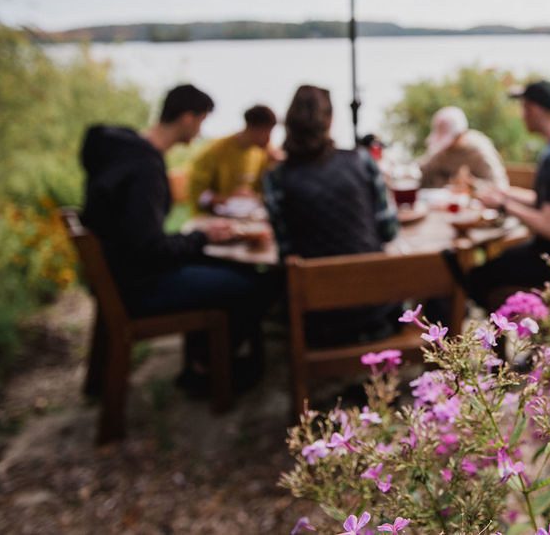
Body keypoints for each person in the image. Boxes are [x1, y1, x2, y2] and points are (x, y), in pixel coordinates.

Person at [80, 84, 275, 391]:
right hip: (140, 285)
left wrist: (198, 239)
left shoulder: (123, 153)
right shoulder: (145, 168)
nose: (199, 132)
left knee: (229, 269)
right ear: (187, 118)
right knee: (250, 284)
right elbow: (151, 249)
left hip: (119, 274)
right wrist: (200, 237)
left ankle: (202, 359)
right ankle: (209, 371)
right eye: (201, 121)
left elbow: (137, 235)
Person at [263, 85, 400, 345]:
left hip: (315, 322)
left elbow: (285, 252)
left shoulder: (276, 178)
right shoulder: (362, 161)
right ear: (330, 120)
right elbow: (388, 230)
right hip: (378, 312)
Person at [465, 80, 550, 308]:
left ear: (533, 109)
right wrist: (505, 194)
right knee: (499, 260)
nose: (522, 116)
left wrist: (504, 206)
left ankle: (500, 331)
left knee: (474, 277)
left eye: (524, 109)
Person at [188, 104, 277, 210]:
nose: (269, 139)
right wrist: (228, 199)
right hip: (214, 218)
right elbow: (198, 194)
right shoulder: (215, 151)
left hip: (248, 218)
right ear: (252, 128)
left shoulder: (263, 153)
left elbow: (267, 192)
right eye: (267, 132)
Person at [419, 106, 508, 189]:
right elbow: (421, 171)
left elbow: (500, 186)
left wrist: (472, 184)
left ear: (461, 134)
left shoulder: (480, 151)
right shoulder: (441, 152)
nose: (447, 146)